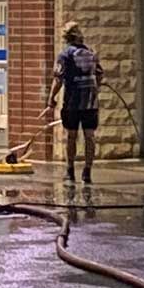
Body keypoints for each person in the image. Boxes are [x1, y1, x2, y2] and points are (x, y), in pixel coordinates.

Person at [45, 20, 103, 185]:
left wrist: (51, 99)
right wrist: (95, 90)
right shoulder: (91, 53)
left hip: (72, 101)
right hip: (90, 103)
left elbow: (58, 79)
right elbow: (99, 74)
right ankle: (87, 170)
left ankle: (70, 170)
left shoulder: (65, 55)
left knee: (71, 135)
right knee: (89, 136)